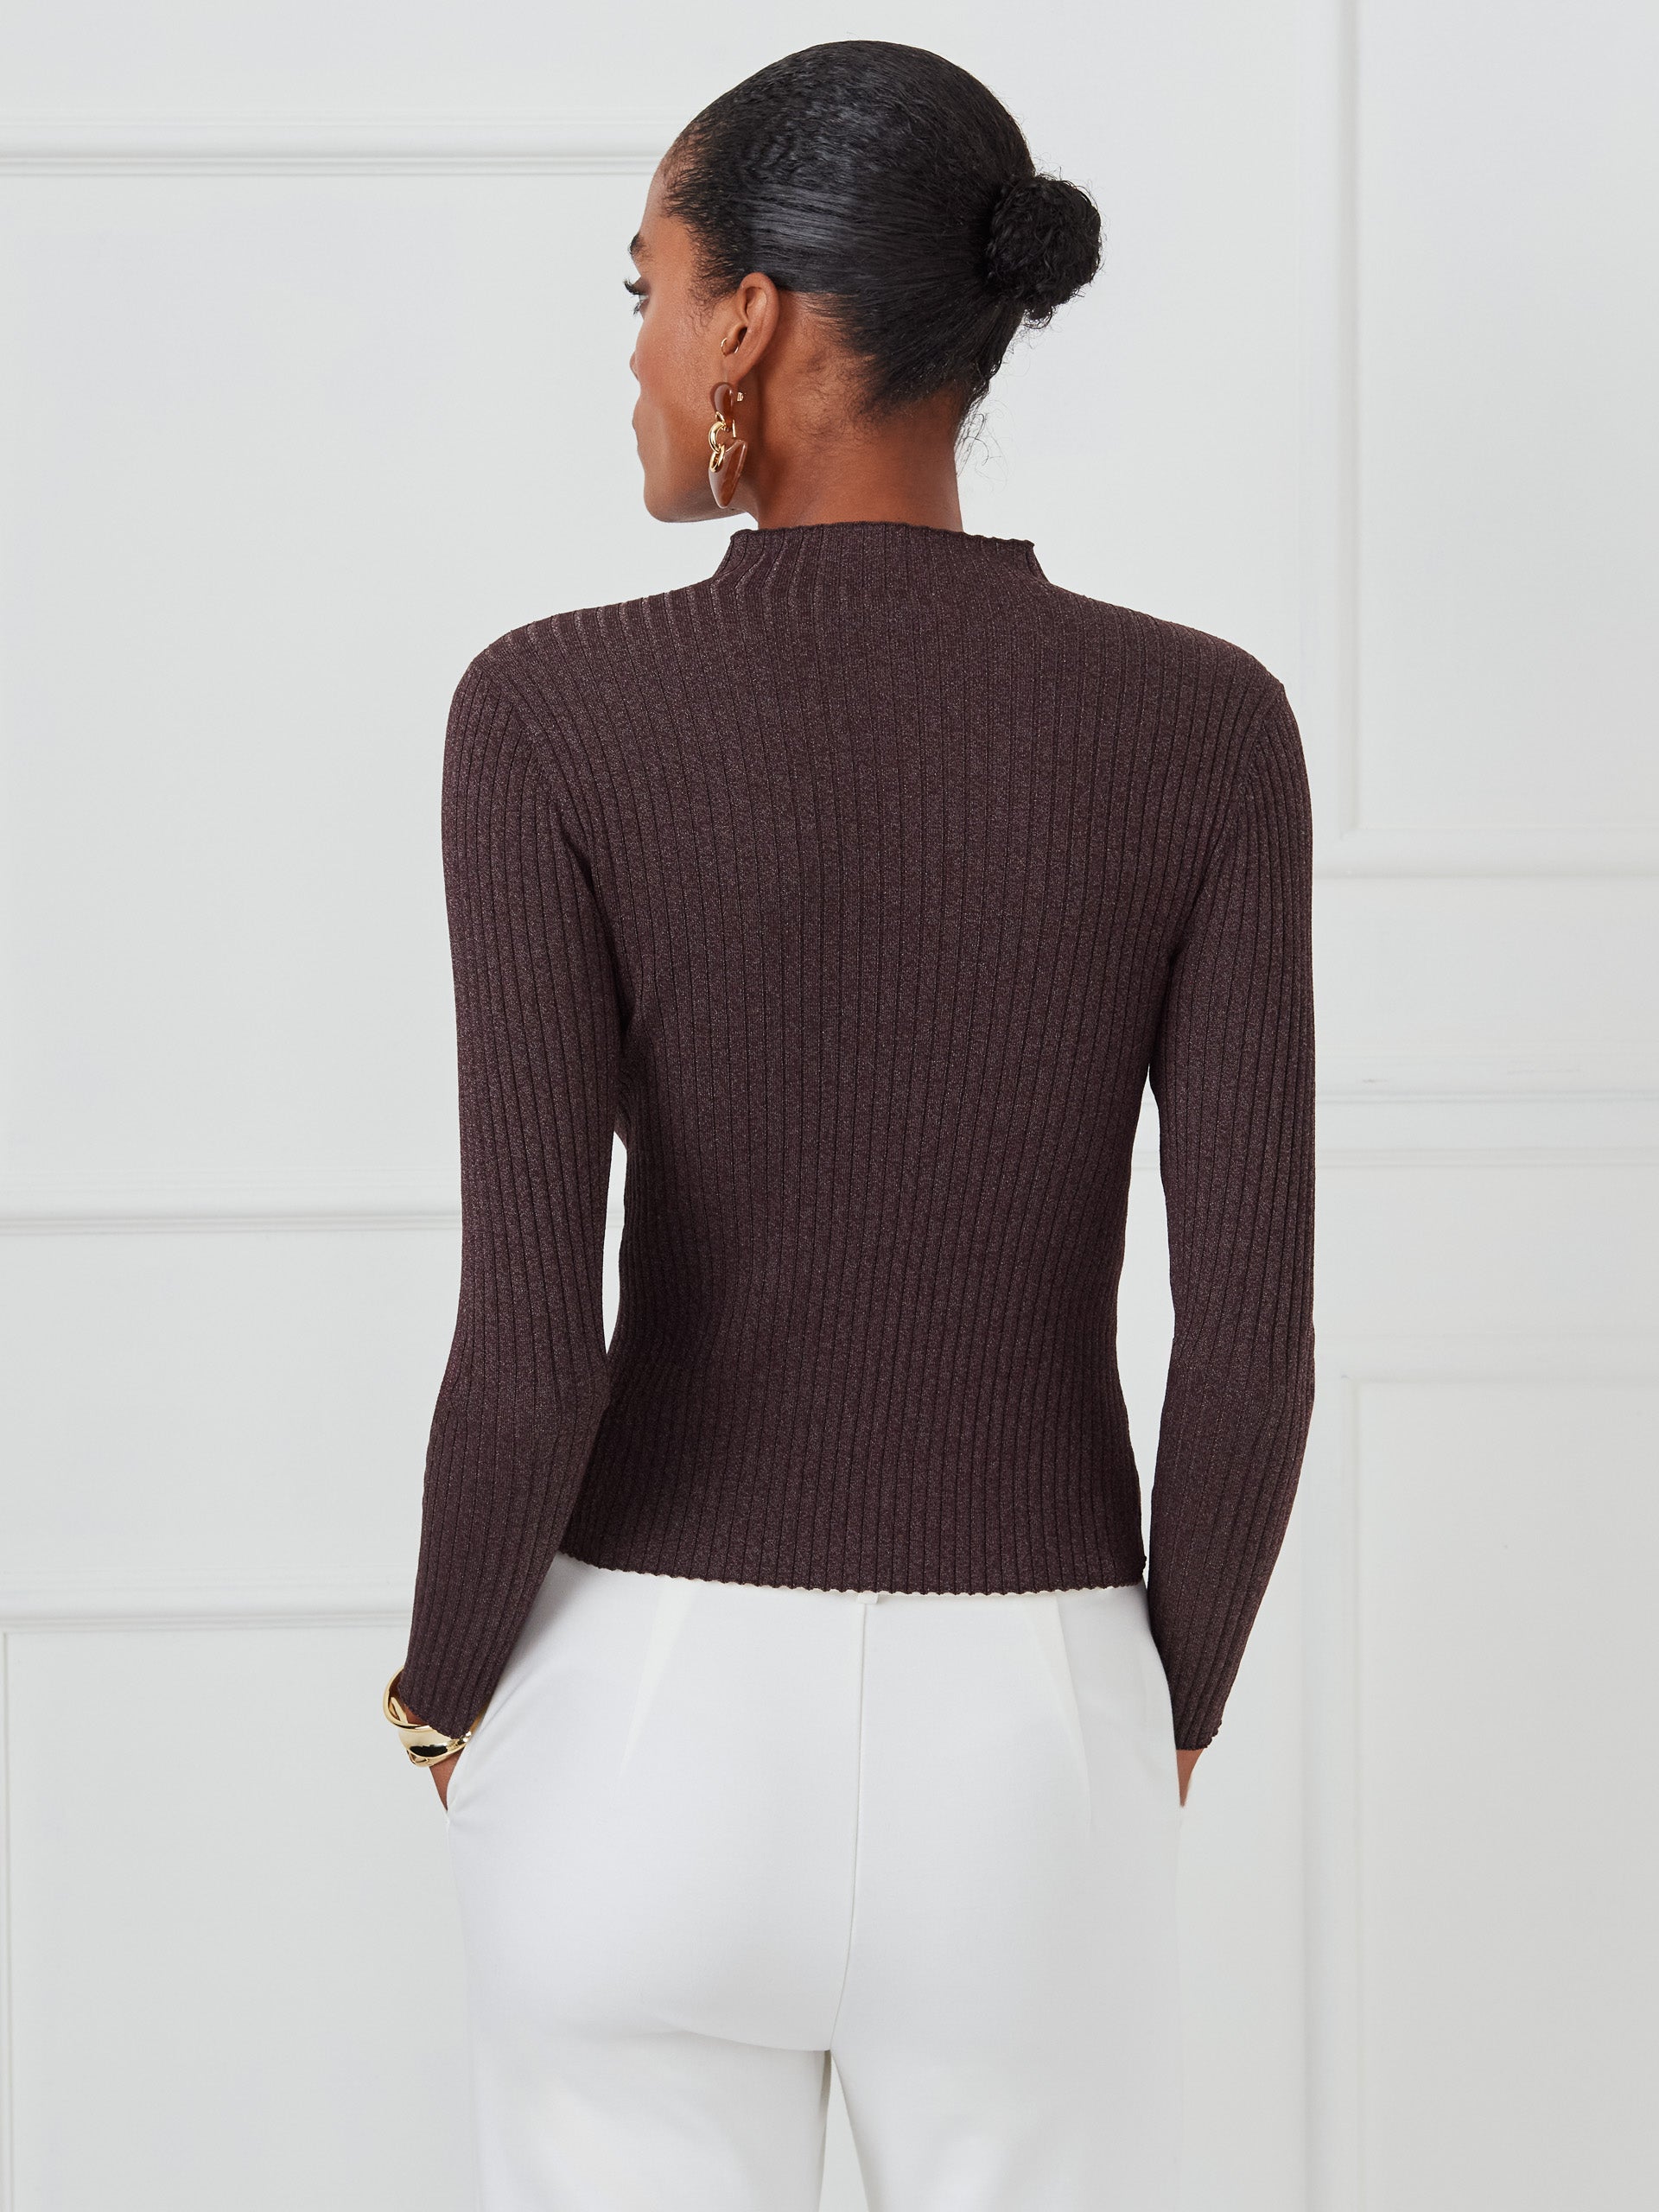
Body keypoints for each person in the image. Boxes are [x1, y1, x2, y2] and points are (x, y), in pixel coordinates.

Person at [382, 36, 1316, 2212]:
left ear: (749, 324)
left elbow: (529, 1350)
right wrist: (1156, 1704)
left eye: (644, 292)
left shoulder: (549, 713)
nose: (634, 354)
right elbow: (1251, 1346)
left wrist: (442, 1692)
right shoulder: (1207, 726)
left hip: (639, 1725)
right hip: (1037, 1735)